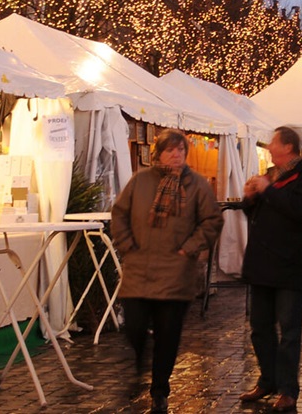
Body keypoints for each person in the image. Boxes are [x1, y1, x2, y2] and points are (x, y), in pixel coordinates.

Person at [112, 129, 223, 414]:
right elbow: (120, 213)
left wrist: (190, 248)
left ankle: (160, 389)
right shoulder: (140, 181)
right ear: (158, 153)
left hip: (177, 271)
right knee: (134, 326)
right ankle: (140, 362)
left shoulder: (196, 185)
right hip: (139, 268)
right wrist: (127, 245)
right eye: (170, 150)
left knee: (168, 335)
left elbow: (212, 220)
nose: (176, 155)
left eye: (180, 150)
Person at [237, 127, 302, 410]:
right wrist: (249, 197)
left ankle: (288, 389)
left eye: (273, 142)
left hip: (288, 266)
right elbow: (255, 212)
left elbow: (300, 211)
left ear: (288, 147)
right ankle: (267, 380)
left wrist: (268, 190)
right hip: (261, 264)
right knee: (259, 327)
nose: (269, 147)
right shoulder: (270, 175)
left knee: (289, 330)